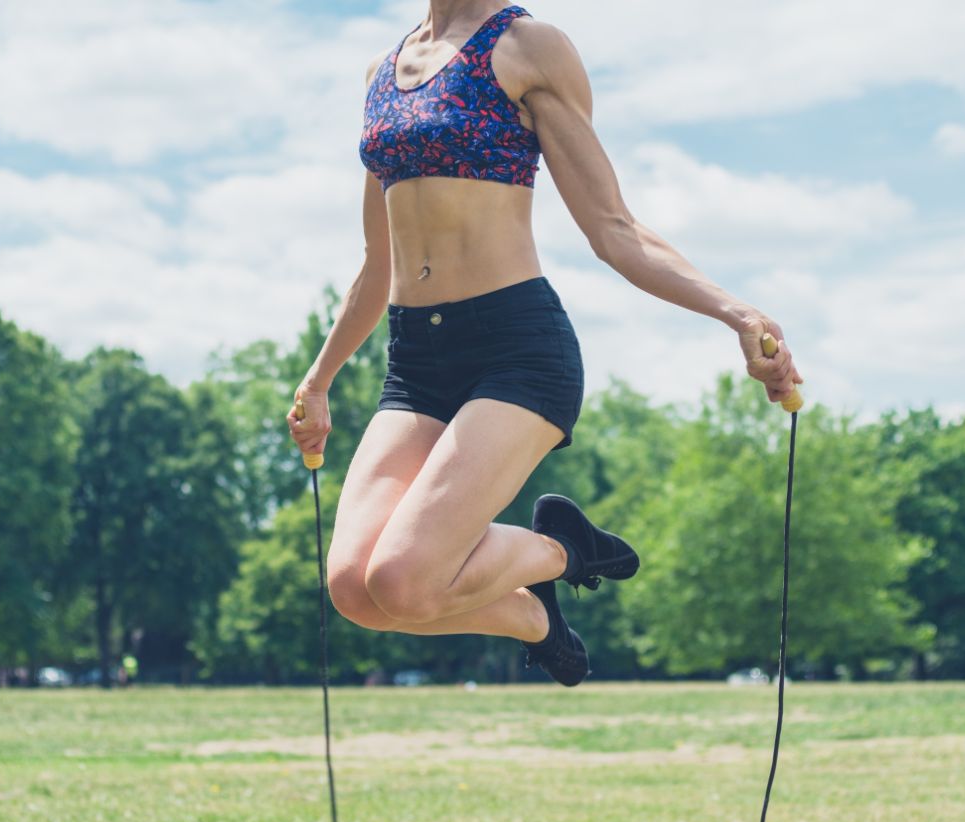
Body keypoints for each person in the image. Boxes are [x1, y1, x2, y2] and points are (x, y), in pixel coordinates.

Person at [287, 2, 801, 685]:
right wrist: (319, 380)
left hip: (516, 351)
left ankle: (563, 548)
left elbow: (614, 227)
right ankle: (536, 619)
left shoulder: (527, 48)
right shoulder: (384, 73)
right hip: (415, 362)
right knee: (356, 589)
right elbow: (375, 266)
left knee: (404, 580)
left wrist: (737, 314)